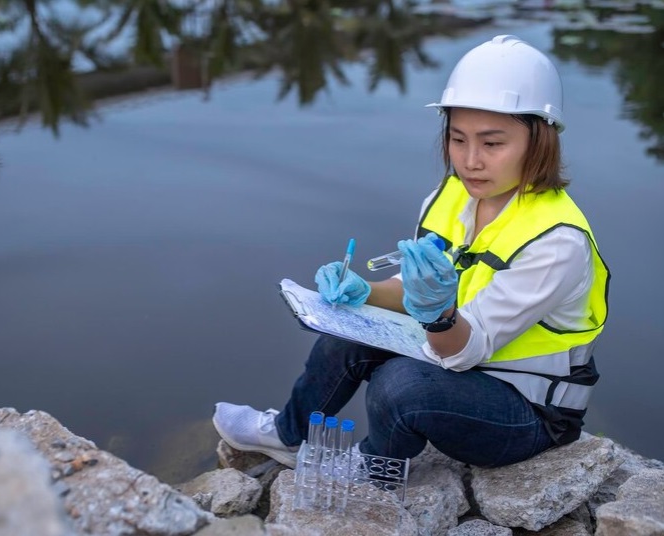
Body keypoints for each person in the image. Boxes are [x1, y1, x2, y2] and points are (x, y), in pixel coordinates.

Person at [212, 35, 610, 469]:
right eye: (458, 139)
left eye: (492, 144)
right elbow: (415, 289)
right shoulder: (453, 196)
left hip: (527, 410)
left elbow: (463, 348)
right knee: (344, 333)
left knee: (398, 384)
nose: (470, 161)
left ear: (539, 142)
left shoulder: (556, 242)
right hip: (463, 362)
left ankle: (374, 471)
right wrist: (363, 291)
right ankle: (290, 434)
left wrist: (436, 314)